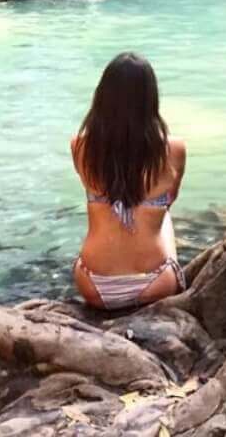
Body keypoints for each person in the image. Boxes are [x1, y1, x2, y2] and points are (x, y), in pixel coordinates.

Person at [71, 53, 186, 311]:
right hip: (156, 285)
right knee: (163, 215)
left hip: (93, 286)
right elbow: (170, 199)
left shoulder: (80, 146)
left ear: (102, 95)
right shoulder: (174, 150)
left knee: (104, 211)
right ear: (150, 98)